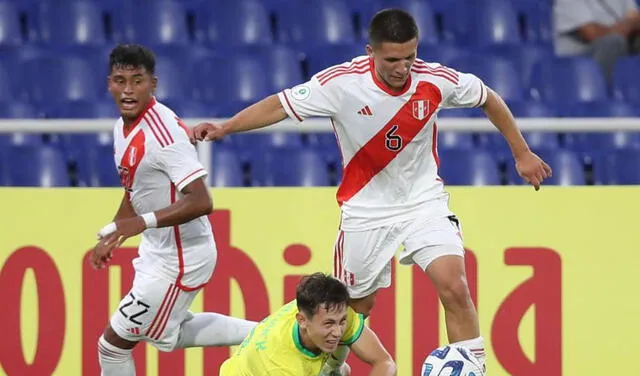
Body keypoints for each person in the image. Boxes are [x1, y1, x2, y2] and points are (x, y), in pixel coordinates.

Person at [192, 8, 552, 373]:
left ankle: (475, 369)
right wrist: (226, 128)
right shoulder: (341, 84)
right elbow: (280, 105)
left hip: (422, 202)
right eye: (392, 59)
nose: (402, 68)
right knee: (352, 312)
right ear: (371, 52)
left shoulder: (435, 80)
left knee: (455, 287)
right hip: (365, 212)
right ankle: (332, 370)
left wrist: (521, 152)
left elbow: (488, 96)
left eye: (410, 57)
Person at [91, 44, 257, 376]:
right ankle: (279, 333)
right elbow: (135, 187)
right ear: (108, 83)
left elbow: (201, 200)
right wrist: (114, 231)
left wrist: (141, 222)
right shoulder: (121, 127)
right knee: (170, 331)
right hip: (159, 250)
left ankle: (281, 334)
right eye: (120, 80)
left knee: (111, 347)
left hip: (181, 258)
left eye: (137, 81)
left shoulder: (163, 134)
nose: (127, 90)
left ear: (153, 83)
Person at [219, 272, 396, 376]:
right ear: (302, 321)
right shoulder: (282, 366)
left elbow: (385, 363)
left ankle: (334, 369)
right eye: (328, 324)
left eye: (341, 322)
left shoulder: (332, 309)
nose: (337, 332)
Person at [554, 0, 640, 81]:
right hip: (580, 58)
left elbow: (636, 18)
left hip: (622, 46)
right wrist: (628, 26)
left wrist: (627, 26)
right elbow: (592, 33)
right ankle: (607, 92)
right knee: (613, 43)